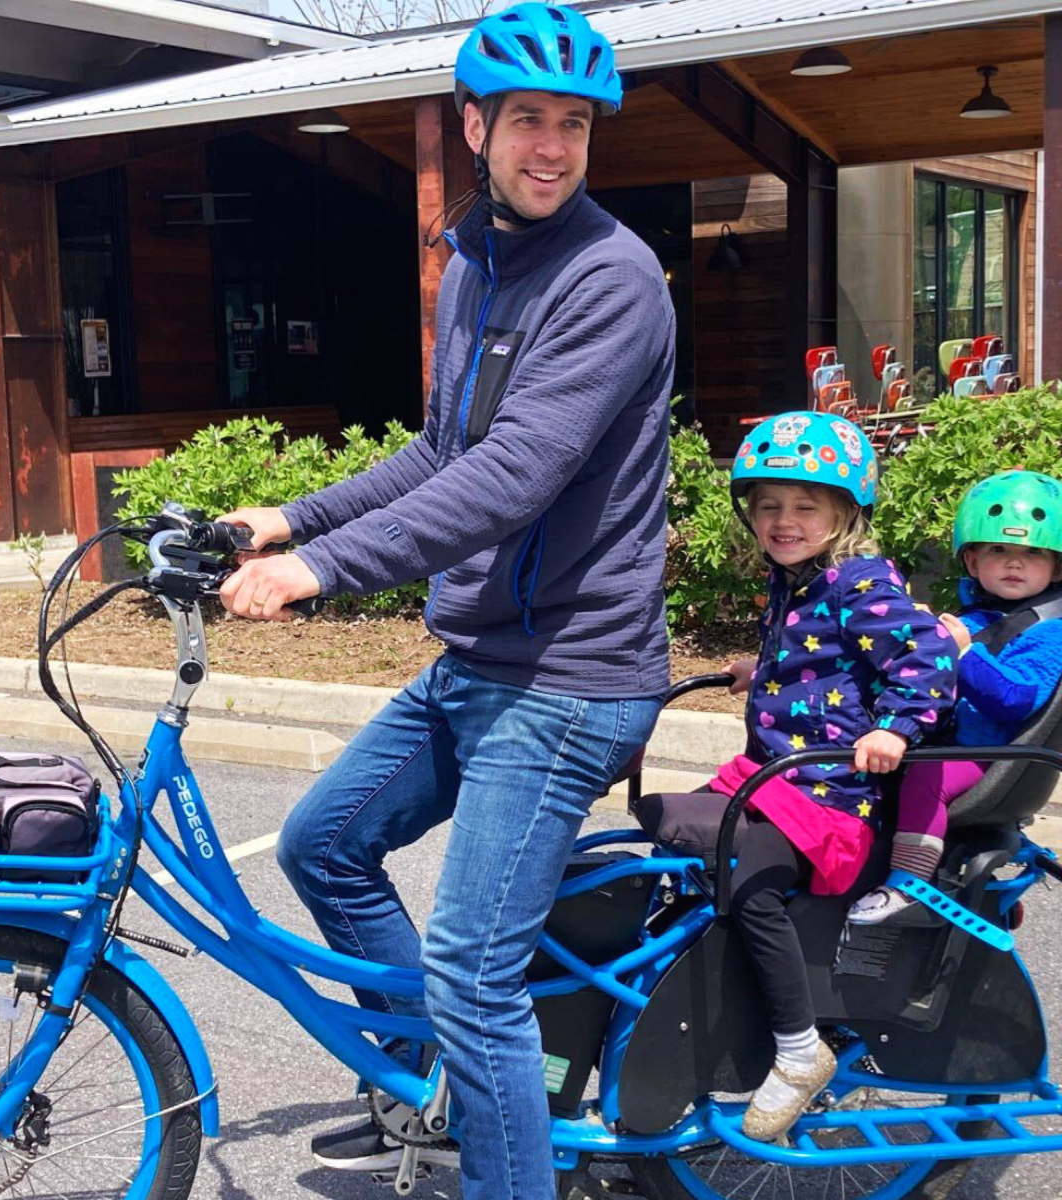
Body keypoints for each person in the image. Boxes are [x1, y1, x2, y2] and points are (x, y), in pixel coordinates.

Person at [216, 5, 676, 1197]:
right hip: (481, 657)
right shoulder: (476, 261)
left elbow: (519, 471)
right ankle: (435, 1092)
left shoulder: (612, 279)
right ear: (476, 126)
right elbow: (443, 450)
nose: (552, 147)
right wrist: (292, 518)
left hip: (568, 681)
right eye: (528, 120)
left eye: (573, 124)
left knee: (475, 974)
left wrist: (323, 571)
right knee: (324, 846)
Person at [632, 411, 958, 1142]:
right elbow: (825, 661)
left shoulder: (861, 581)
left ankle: (798, 1046)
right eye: (768, 505)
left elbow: (930, 656)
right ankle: (695, 986)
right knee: (666, 825)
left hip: (830, 802)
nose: (784, 521)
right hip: (777, 783)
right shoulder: (799, 582)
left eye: (806, 506)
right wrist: (763, 668)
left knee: (743, 872)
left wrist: (895, 727)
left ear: (846, 514)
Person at [849, 469, 1062, 924]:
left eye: (1033, 553)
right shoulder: (979, 616)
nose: (1014, 563)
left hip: (989, 756)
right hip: (948, 739)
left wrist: (964, 651)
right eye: (998, 550)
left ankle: (907, 884)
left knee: (929, 774)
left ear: (1057, 566)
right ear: (972, 561)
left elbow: (1016, 698)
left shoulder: (1050, 631)